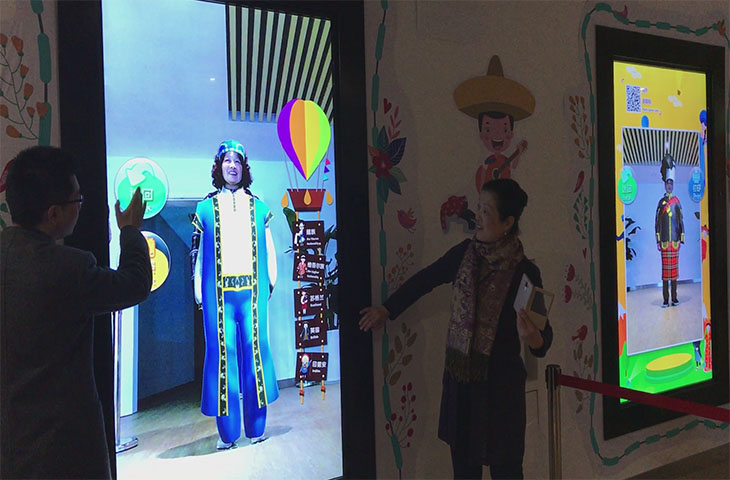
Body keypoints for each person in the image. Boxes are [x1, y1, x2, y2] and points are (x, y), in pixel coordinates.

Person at [360, 178, 552, 480]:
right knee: (464, 473)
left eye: (486, 211)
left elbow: (544, 340)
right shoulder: (465, 254)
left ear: (507, 223)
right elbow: (426, 279)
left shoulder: (526, 273)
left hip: (502, 394)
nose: (478, 216)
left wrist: (533, 338)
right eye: (478, 207)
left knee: (507, 472)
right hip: (462, 388)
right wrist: (387, 309)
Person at [0, 146, 152, 479]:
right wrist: (130, 229)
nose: (81, 206)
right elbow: (135, 284)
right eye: (77, 199)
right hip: (62, 451)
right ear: (53, 214)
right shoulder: (67, 268)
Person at [191, 139, 278, 449]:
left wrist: (271, 281)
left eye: (237, 161)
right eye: (227, 160)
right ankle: (227, 434)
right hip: (218, 296)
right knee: (221, 356)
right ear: (219, 167)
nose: (232, 166)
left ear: (244, 168)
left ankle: (256, 428)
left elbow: (268, 247)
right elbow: (200, 253)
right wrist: (198, 288)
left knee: (256, 352)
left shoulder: (259, 207)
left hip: (252, 293)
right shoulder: (205, 208)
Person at [655, 146, 684, 307]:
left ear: (673, 184)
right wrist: (658, 240)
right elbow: (657, 223)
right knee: (665, 275)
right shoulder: (661, 203)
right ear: (665, 185)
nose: (670, 185)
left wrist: (681, 238)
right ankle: (666, 300)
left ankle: (675, 298)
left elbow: (681, 221)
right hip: (665, 242)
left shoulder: (677, 202)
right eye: (668, 183)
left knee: (674, 275)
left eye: (671, 183)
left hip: (675, 242)